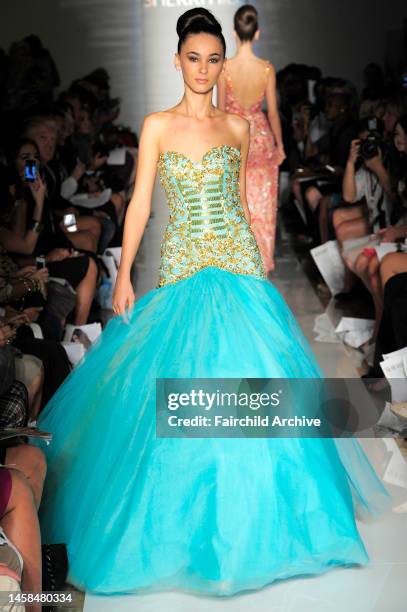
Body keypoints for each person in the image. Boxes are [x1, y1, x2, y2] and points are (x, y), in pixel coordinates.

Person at [36, 8, 390, 596]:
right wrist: (123, 272)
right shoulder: (156, 126)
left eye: (212, 58)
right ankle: (190, 526)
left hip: (236, 266)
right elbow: (143, 202)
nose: (202, 68)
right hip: (180, 267)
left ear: (223, 64)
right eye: (193, 57)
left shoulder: (238, 128)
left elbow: (244, 203)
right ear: (177, 60)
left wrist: (256, 259)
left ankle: (259, 526)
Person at [217, 4, 285, 273]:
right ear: (256, 34)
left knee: (236, 201)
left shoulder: (224, 69)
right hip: (261, 139)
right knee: (263, 207)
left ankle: (238, 263)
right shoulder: (267, 69)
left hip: (234, 137)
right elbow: (274, 113)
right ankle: (262, 265)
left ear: (234, 33)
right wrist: (280, 145)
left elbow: (221, 113)